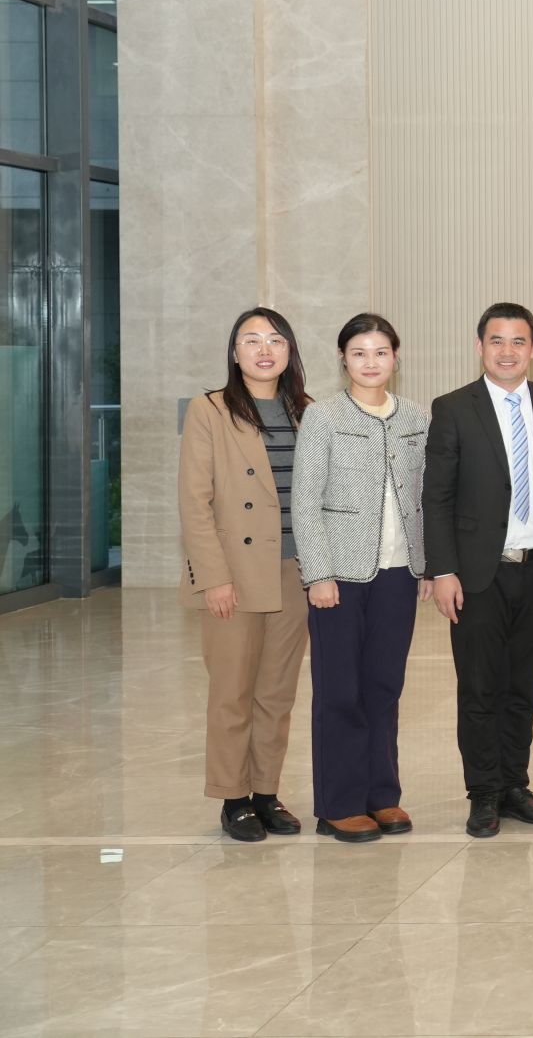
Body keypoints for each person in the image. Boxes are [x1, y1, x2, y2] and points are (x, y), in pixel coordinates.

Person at [423, 302, 533, 838]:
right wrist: (443, 570)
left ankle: (514, 785)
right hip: (477, 574)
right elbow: (436, 497)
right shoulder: (452, 407)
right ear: (479, 346)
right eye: (496, 340)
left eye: (517, 341)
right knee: (480, 688)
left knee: (523, 688)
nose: (507, 351)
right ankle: (484, 791)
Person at [291, 314, 430, 842]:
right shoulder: (323, 417)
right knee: (340, 690)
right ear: (343, 358)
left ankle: (381, 795)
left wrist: (425, 565)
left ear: (396, 356)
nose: (371, 362)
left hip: (399, 573)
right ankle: (339, 803)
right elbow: (305, 501)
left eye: (380, 352)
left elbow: (425, 496)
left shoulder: (415, 417)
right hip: (340, 577)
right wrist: (318, 573)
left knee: (384, 686)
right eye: (359, 353)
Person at [179, 307, 315, 842]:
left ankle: (265, 792)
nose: (264, 349)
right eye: (251, 340)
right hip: (234, 572)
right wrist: (213, 577)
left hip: (294, 570)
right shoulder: (210, 410)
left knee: (276, 693)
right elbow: (194, 501)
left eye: (275, 340)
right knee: (232, 691)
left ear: (289, 351)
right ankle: (232, 797)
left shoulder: (307, 411)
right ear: (235, 353)